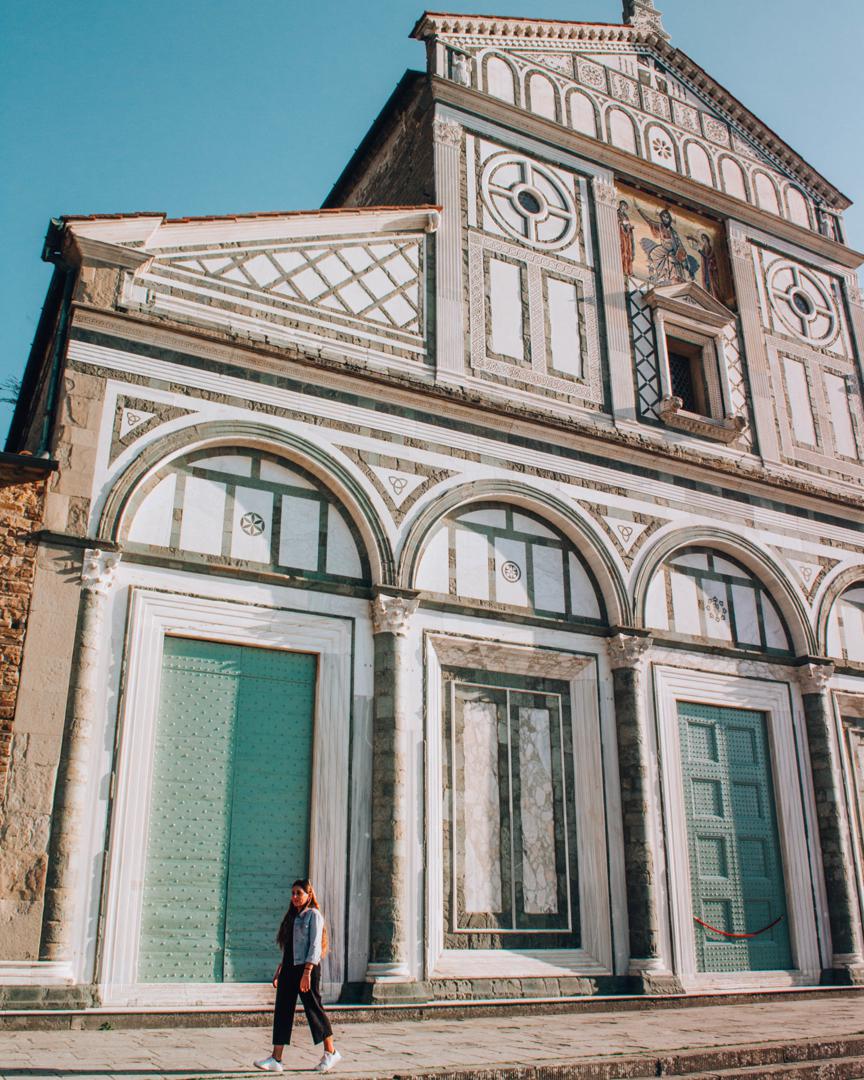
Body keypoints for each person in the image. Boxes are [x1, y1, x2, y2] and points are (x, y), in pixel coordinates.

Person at [254, 879, 341, 1074]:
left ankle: (331, 1051)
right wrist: (280, 970)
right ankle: (276, 1058)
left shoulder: (313, 916)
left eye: (298, 893)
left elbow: (315, 946)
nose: (294, 897)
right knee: (283, 1009)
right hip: (289, 968)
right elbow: (289, 948)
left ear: (308, 895)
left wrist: (307, 972)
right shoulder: (292, 917)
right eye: (292, 893)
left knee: (313, 1008)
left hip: (306, 968)